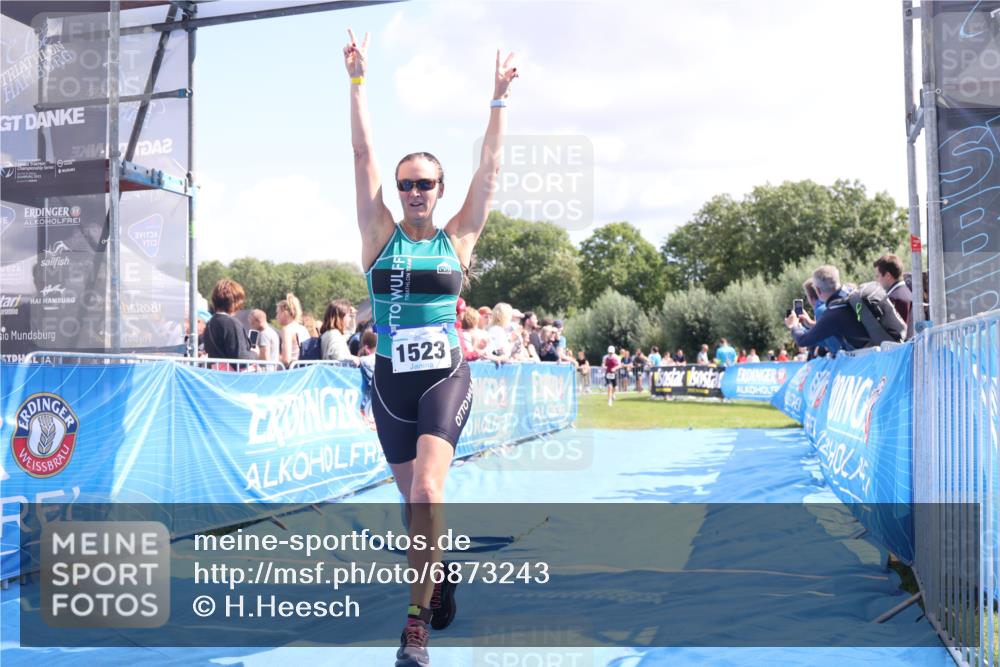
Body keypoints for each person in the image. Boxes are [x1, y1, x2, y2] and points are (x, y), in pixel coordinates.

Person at [345, 28, 517, 667]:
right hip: (391, 382)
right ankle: (436, 574)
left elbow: (490, 171)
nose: (415, 193)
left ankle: (414, 629)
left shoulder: (458, 239)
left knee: (425, 493)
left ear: (441, 190)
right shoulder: (377, 233)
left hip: (445, 376)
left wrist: (498, 100)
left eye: (426, 184)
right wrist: (357, 80)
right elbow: (362, 152)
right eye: (406, 185)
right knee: (412, 506)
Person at [785, 265, 870, 353]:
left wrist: (793, 325)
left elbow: (803, 340)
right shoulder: (852, 295)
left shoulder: (833, 312)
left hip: (864, 357)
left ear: (818, 290)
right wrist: (810, 324)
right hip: (876, 350)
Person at [203, 279, 256, 364]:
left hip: (215, 371)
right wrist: (254, 353)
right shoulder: (232, 324)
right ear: (235, 301)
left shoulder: (210, 323)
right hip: (231, 372)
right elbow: (241, 359)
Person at [874, 253, 913, 340]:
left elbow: (897, 334)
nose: (876, 280)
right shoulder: (904, 292)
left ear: (888, 276)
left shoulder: (895, 298)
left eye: (877, 276)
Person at [321, 298, 360, 364]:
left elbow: (349, 333)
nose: (349, 319)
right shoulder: (335, 335)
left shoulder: (329, 333)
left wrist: (353, 316)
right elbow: (341, 358)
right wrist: (355, 359)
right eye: (349, 316)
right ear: (342, 317)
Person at [276, 293, 310, 368]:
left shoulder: (287, 330)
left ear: (284, 313)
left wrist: (274, 358)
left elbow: (286, 360)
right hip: (304, 369)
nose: (276, 316)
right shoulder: (303, 329)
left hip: (292, 371)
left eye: (278, 313)